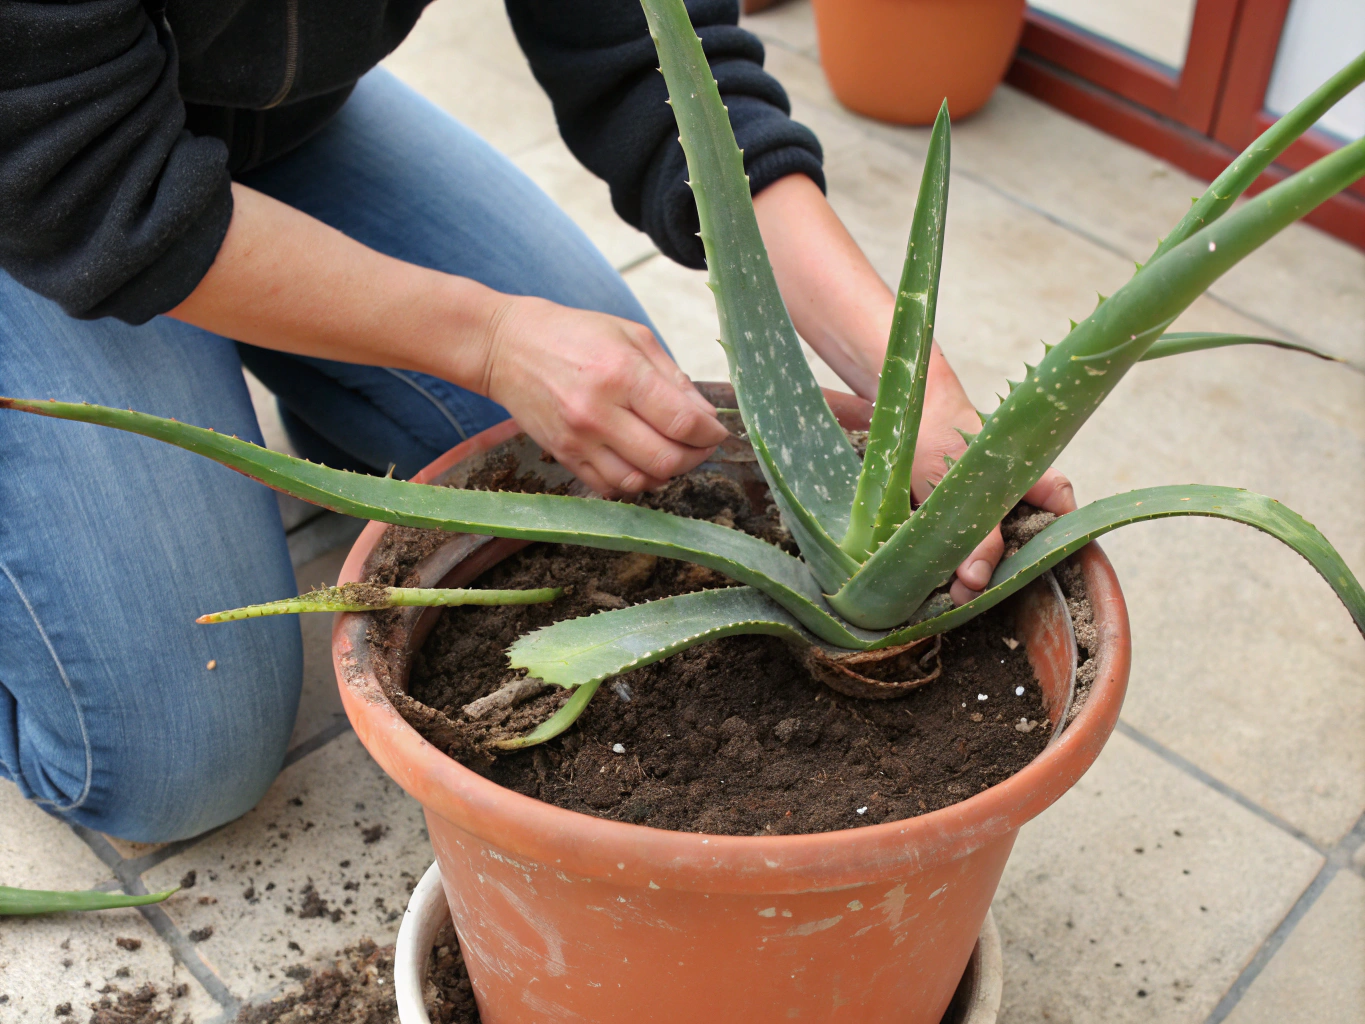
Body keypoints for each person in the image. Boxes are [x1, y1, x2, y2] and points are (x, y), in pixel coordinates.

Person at [0, 0, 1073, 843]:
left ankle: (296, 366)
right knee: (181, 753)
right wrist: (487, 338)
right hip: (36, 178)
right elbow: (93, 188)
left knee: (602, 441)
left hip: (272, 126)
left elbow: (665, 58)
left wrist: (910, 378)